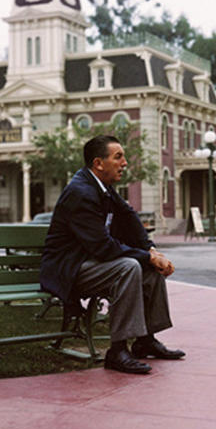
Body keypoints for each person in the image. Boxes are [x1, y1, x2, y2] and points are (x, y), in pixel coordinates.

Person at [40, 134, 185, 374]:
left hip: (88, 262)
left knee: (148, 267)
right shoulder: (81, 192)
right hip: (68, 269)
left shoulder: (101, 186)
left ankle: (145, 339)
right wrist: (147, 257)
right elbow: (103, 248)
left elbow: (128, 216)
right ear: (98, 163)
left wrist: (151, 250)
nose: (125, 163)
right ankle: (117, 351)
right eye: (118, 157)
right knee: (128, 267)